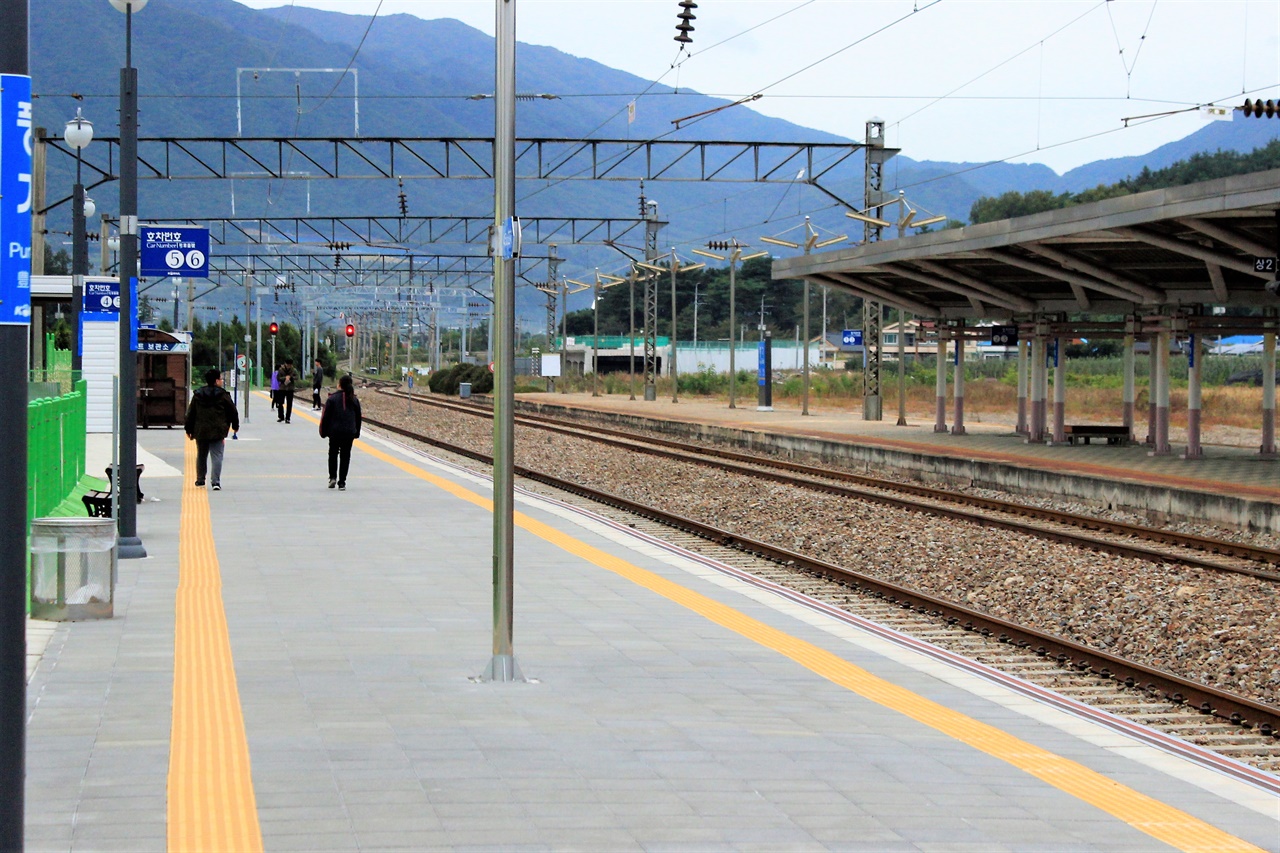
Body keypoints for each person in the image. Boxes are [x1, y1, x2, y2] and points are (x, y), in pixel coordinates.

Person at [184, 368, 239, 491]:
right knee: (217, 456)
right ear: (216, 381)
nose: (222, 380)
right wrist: (235, 426)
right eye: (220, 378)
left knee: (201, 455)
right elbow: (232, 411)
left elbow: (191, 413)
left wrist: (188, 429)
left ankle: (200, 479)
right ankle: (215, 482)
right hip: (218, 430)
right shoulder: (223, 395)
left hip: (201, 430)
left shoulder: (198, 395)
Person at [318, 374, 361, 491]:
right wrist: (357, 432)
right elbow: (358, 418)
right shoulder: (354, 399)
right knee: (345, 456)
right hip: (349, 432)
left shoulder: (331, 399)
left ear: (339, 385)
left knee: (333, 453)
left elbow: (325, 417)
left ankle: (332, 477)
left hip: (335, 432)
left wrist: (324, 431)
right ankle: (342, 482)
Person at [277, 359, 297, 423]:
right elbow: (278, 378)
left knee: (289, 404)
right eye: (288, 365)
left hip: (290, 388)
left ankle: (288, 418)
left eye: (290, 365)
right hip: (282, 388)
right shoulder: (281, 370)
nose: (289, 366)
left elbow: (297, 377)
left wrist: (291, 378)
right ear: (285, 364)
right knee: (280, 403)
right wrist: (285, 378)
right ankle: (281, 416)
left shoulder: (294, 370)